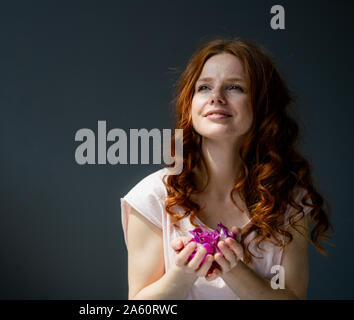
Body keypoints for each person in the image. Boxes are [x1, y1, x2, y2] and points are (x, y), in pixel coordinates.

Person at [120, 38, 333, 300]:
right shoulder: (152, 197)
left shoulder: (291, 201)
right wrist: (183, 272)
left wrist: (233, 269)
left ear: (263, 105)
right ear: (190, 103)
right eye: (204, 87)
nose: (216, 98)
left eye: (234, 87)